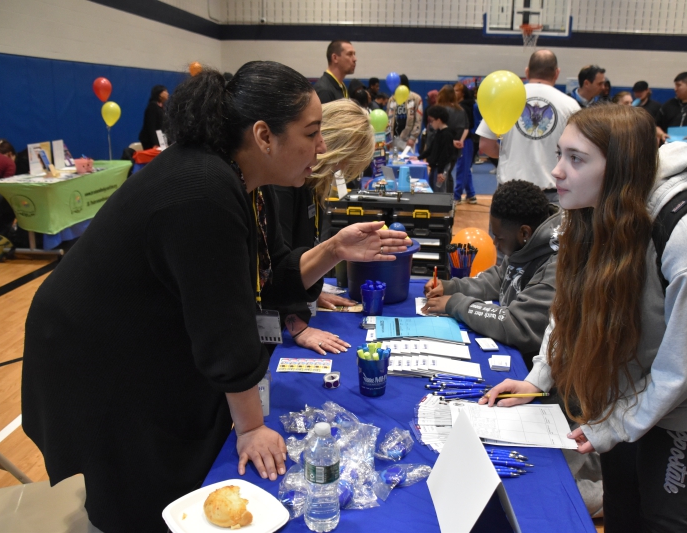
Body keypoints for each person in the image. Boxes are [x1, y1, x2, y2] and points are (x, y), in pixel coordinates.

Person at [22, 63, 409, 533]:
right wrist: (249, 427)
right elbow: (223, 326)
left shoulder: (243, 181)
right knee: (140, 498)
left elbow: (266, 281)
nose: (322, 147)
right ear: (265, 135)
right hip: (91, 358)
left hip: (129, 342)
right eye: (312, 133)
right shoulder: (204, 188)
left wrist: (334, 249)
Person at [482, 105, 687, 532]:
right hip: (628, 378)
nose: (556, 171)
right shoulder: (584, 212)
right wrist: (540, 378)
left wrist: (617, 424)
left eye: (576, 159)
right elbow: (569, 308)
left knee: (660, 516)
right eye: (560, 154)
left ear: (622, 168)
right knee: (622, 504)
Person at [269, 99, 375, 354]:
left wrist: (311, 289)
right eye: (347, 162)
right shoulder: (283, 183)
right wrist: (298, 327)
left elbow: (303, 245)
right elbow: (273, 270)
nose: (345, 171)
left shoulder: (313, 183)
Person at [422, 180, 560, 367]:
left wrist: (456, 303)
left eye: (499, 237)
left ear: (524, 233)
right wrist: (452, 287)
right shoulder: (527, 244)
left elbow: (517, 325)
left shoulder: (554, 268)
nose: (495, 243)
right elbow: (500, 278)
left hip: (537, 372)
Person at [477, 50, 580, 203]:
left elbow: (485, 145)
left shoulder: (505, 97)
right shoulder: (571, 106)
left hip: (510, 192)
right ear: (557, 73)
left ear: (527, 71)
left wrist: (509, 155)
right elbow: (577, 153)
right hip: (552, 195)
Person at [436, 84, 473, 203]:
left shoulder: (441, 110)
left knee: (441, 173)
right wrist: (460, 141)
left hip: (443, 146)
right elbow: (467, 127)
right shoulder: (461, 110)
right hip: (456, 147)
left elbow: (439, 130)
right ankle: (451, 198)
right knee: (449, 172)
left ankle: (442, 199)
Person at [417, 105, 458, 192]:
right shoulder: (439, 132)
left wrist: (440, 172)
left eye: (432, 121)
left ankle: (441, 206)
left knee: (440, 191)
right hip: (435, 167)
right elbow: (431, 148)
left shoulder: (447, 135)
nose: (431, 123)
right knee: (433, 189)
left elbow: (445, 155)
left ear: (438, 120)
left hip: (441, 168)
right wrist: (418, 157)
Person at [386, 74, 423, 151]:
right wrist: (388, 138)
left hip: (407, 139)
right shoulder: (392, 99)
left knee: (408, 160)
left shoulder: (416, 98)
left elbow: (418, 120)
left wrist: (412, 138)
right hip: (393, 139)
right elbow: (388, 120)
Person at [138, 84, 168, 149]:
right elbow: (151, 127)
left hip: (160, 138)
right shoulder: (152, 107)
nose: (167, 94)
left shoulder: (163, 107)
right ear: (159, 94)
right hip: (149, 140)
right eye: (165, 92)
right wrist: (155, 143)